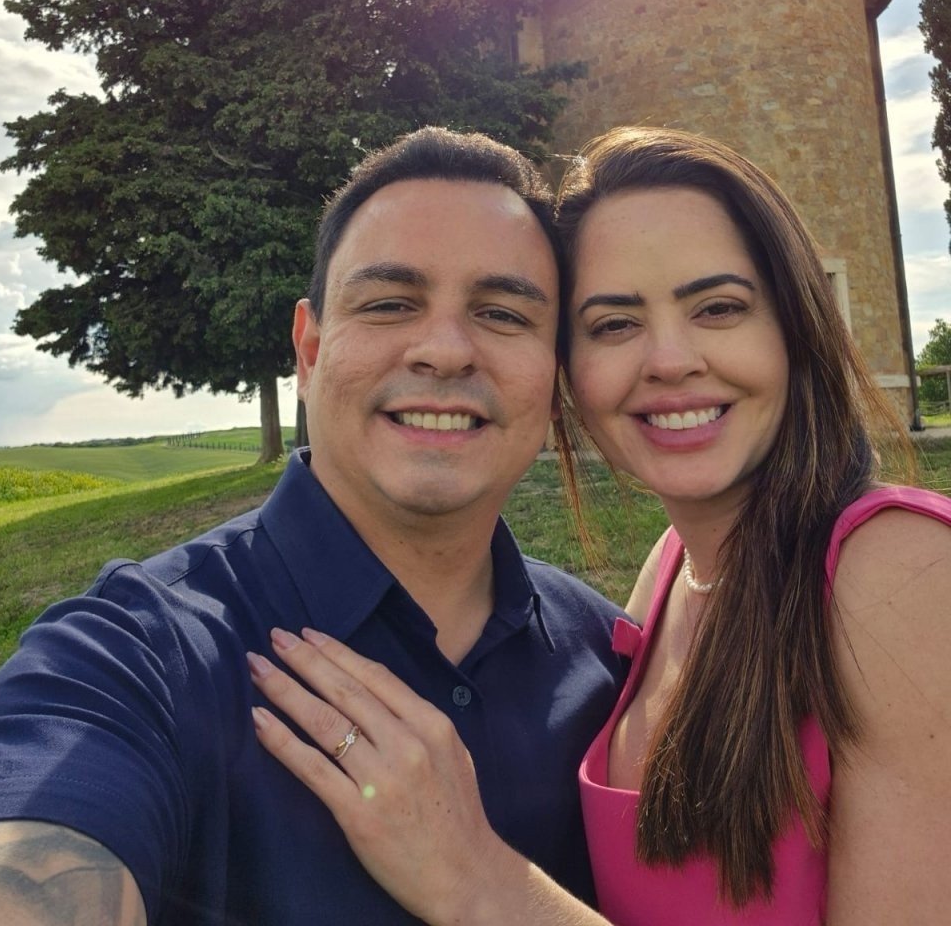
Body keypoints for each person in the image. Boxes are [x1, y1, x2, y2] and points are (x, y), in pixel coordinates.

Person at [248, 126, 951, 926]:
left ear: (796, 327)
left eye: (719, 308)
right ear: (567, 369)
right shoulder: (669, 575)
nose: (670, 360)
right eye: (614, 324)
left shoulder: (899, 575)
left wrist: (477, 880)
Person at [0, 127, 629, 925]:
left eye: (502, 313)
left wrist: (484, 884)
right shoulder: (137, 655)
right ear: (310, 348)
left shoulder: (613, 663)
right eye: (390, 303)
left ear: (554, 371)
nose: (444, 350)